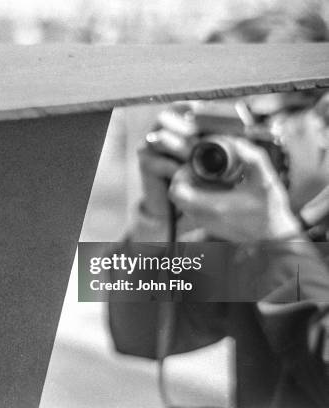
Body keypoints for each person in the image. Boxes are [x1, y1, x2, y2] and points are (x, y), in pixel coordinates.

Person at [108, 11, 329, 408]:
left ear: (323, 117)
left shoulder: (265, 236)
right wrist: (155, 225)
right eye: (211, 127)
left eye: (246, 123)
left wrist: (276, 243)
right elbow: (136, 335)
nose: (226, 149)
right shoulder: (244, 238)